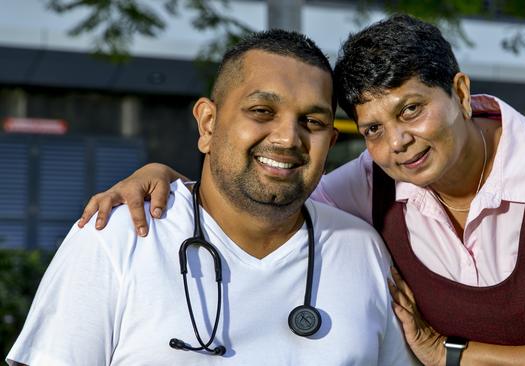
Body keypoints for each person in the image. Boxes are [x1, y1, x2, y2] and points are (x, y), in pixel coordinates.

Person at [77, 14, 525, 366]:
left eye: (412, 110)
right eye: (373, 129)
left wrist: (448, 355)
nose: (398, 142)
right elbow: (267, 188)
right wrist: (168, 179)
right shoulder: (372, 187)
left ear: (459, 89)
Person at [6, 30, 418, 366]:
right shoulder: (119, 236)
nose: (288, 138)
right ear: (207, 123)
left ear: (330, 142)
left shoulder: (362, 249)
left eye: (311, 121)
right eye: (261, 111)